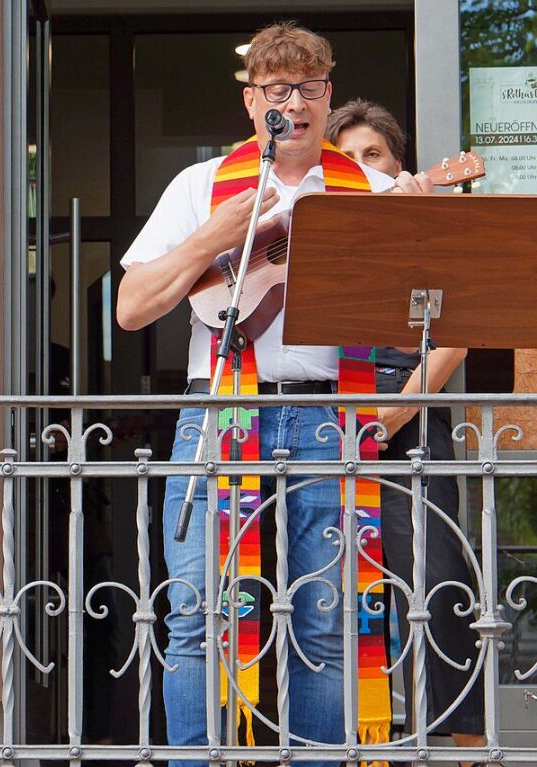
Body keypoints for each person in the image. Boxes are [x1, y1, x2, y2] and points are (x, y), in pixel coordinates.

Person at [116, 23, 434, 767]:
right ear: (251, 100)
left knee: (325, 618)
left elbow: (428, 310)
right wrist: (216, 234)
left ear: (327, 97)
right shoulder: (199, 186)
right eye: (276, 89)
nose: (293, 101)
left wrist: (414, 234)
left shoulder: (377, 190)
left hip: (330, 412)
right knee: (201, 614)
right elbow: (132, 306)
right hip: (219, 406)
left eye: (309, 87)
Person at [327, 99, 485, 764]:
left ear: (400, 167)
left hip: (409, 408)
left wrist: (396, 410)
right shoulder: (318, 228)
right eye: (349, 159)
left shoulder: (428, 231)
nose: (363, 168)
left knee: (437, 582)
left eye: (375, 156)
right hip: (324, 411)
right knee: (330, 587)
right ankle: (352, 743)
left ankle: (462, 745)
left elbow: (461, 325)